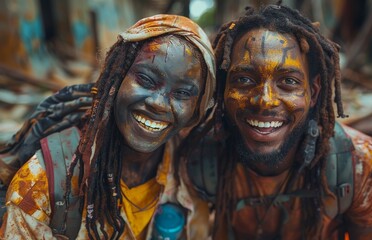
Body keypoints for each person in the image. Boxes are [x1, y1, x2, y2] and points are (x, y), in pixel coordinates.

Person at [181, 2, 372, 240]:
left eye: (288, 81)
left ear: (313, 93)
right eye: (243, 79)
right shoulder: (199, 156)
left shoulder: (358, 164)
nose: (265, 101)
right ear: (223, 90)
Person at [0, 14, 215, 239]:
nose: (159, 104)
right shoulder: (40, 185)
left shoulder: (194, 171)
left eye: (182, 93)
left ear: (196, 108)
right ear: (116, 77)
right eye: (146, 79)